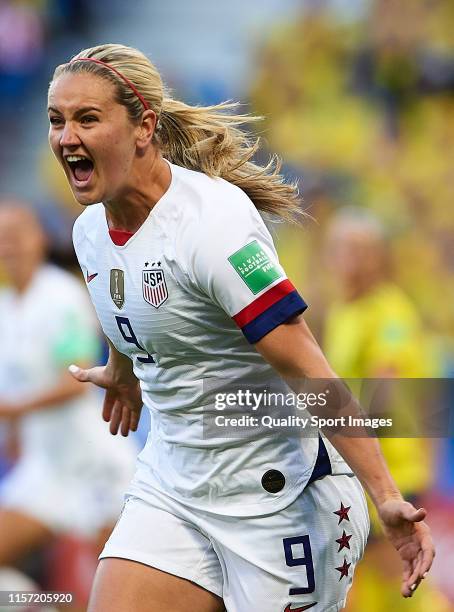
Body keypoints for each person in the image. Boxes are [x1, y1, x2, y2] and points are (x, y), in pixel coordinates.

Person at [47, 43, 434, 612]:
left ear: (143, 127)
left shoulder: (212, 227)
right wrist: (123, 370)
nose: (65, 137)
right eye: (56, 120)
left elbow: (309, 370)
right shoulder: (90, 234)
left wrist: (387, 495)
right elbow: (124, 300)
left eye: (87, 118)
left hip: (276, 498)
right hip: (173, 487)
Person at [0, 202, 137, 586]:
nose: (8, 245)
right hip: (44, 468)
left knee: (115, 590)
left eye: (17, 234)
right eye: (1, 238)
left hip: (93, 464)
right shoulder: (5, 309)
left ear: (39, 238)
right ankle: (34, 605)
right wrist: (15, 430)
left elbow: (77, 376)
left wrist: (12, 410)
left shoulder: (61, 297)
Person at [323, 208, 450, 612]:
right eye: (343, 251)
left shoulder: (391, 313)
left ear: (380, 258)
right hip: (357, 466)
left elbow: (387, 384)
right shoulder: (344, 313)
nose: (351, 261)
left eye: (360, 252)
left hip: (391, 469)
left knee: (397, 573)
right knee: (366, 577)